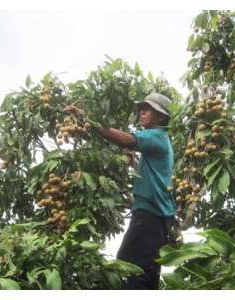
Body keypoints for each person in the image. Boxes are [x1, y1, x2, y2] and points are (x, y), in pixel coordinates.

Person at [63, 92, 176, 290]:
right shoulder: (163, 141)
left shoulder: (155, 136)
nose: (141, 112)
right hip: (161, 218)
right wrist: (134, 161)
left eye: (147, 108)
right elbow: (152, 172)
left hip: (149, 213)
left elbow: (125, 139)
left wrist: (91, 121)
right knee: (146, 274)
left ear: (160, 116)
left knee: (126, 270)